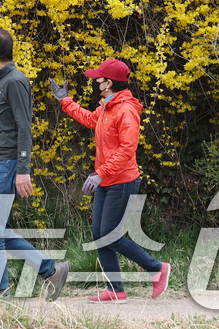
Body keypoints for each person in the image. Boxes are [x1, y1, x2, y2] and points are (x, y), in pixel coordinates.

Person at [51, 59, 171, 302]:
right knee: (99, 234)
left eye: (99, 78)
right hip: (105, 180)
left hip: (123, 181)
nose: (95, 81)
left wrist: (100, 172)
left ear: (108, 82)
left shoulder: (125, 110)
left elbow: (128, 149)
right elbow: (90, 119)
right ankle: (115, 290)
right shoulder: (107, 107)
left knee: (110, 235)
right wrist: (66, 101)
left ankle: (157, 268)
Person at [0, 29, 72, 300]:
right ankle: (49, 270)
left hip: (7, 166)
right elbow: (1, 130)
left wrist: (23, 170)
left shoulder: (15, 81)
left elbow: (23, 128)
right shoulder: (4, 81)